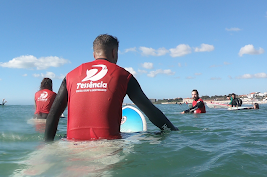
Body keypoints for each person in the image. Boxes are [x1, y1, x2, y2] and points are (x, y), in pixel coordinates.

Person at [44, 34, 177, 141]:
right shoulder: (123, 75)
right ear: (114, 52)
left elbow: (53, 115)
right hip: (107, 146)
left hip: (71, 144)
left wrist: (47, 145)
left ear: (94, 54)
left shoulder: (70, 76)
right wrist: (172, 131)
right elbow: (149, 109)